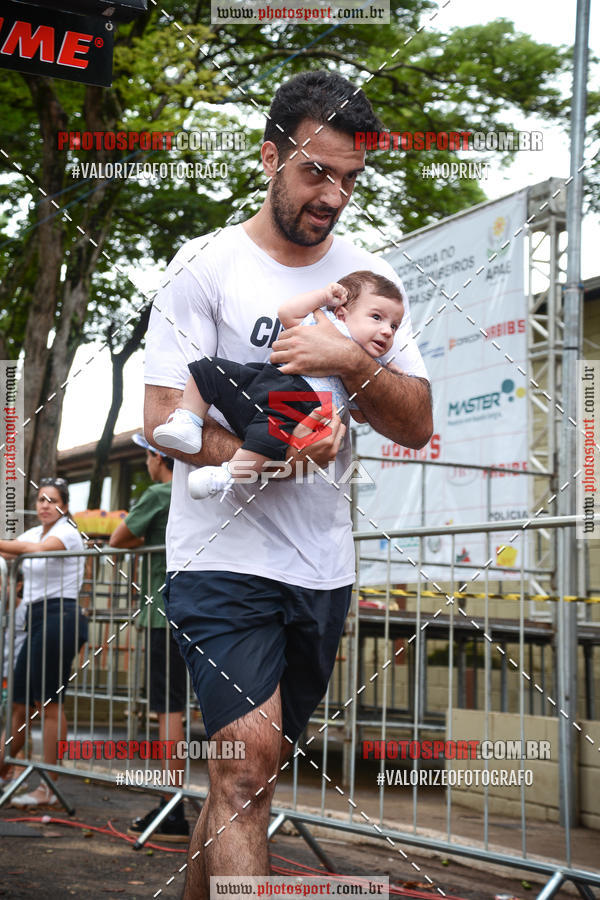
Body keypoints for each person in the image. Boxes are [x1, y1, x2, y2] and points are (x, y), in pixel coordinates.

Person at [143, 70, 433, 897]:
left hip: (320, 568)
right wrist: (273, 451)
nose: (333, 195)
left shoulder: (369, 283)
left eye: (349, 179)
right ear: (271, 157)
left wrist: (348, 357)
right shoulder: (205, 266)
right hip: (220, 559)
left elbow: (414, 419)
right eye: (316, 172)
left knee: (245, 783)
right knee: (247, 766)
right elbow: (166, 413)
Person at [152, 271, 405, 499]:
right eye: (376, 318)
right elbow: (288, 313)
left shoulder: (368, 366)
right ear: (341, 313)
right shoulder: (327, 326)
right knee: (209, 369)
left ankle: (226, 475)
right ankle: (188, 420)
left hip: (301, 406)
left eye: (394, 326)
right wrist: (322, 296)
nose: (387, 331)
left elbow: (361, 415)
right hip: (265, 379)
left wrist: (380, 376)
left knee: (268, 438)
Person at [109, 434, 189, 843]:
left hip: (165, 616)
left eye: (147, 455)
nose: (145, 462)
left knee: (168, 712)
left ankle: (172, 806)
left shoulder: (161, 492)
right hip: (203, 613)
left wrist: (141, 534)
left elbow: (118, 539)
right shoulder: (197, 491)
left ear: (161, 459)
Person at [0, 478, 87, 807]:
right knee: (19, 703)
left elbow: (29, 552)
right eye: (40, 500)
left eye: (52, 500)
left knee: (49, 704)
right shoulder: (34, 532)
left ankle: (50, 786)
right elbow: (12, 550)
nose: (44, 505)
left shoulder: (65, 531)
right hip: (36, 619)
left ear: (64, 505)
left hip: (60, 617)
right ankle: (3, 769)